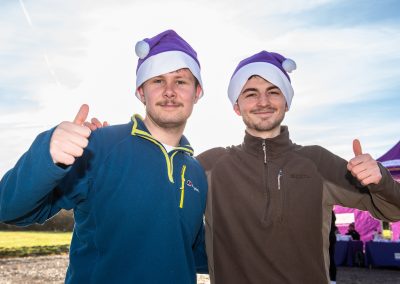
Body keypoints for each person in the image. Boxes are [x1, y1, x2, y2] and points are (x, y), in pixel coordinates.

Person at [0, 30, 208, 284]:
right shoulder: (99, 146)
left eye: (181, 81)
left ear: (197, 92)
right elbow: (9, 209)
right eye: (157, 81)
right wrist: (47, 155)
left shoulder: (195, 171)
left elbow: (193, 252)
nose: (169, 91)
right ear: (141, 92)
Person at [196, 50, 400, 283]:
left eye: (273, 92)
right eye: (251, 94)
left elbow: (393, 210)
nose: (263, 101)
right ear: (236, 106)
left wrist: (381, 181)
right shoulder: (210, 165)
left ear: (287, 102)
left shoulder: (318, 162)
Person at [329, 212, 337, 284]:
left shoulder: (329, 212)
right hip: (331, 236)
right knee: (330, 259)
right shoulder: (331, 212)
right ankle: (332, 280)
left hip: (329, 237)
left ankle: (332, 280)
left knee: (330, 259)